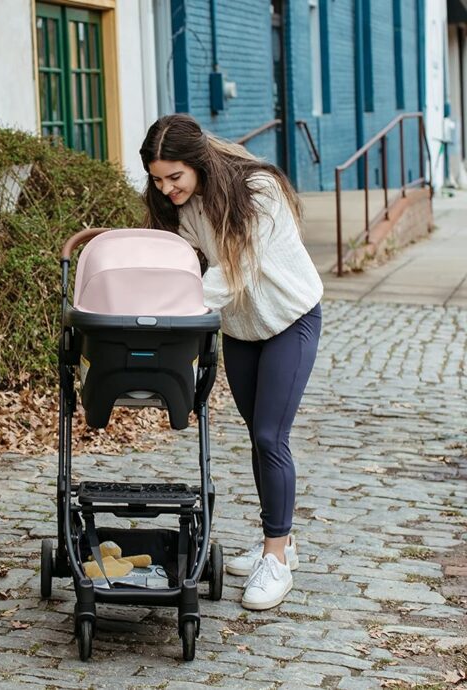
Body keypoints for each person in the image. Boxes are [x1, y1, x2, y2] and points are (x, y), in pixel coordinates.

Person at [138, 114, 323, 611]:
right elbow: (181, 262)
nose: (166, 188)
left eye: (174, 176)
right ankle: (280, 540)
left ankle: (277, 561)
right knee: (258, 438)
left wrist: (171, 306)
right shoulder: (181, 205)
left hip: (290, 321)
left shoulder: (258, 190)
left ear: (197, 162)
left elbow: (236, 269)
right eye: (157, 179)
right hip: (242, 330)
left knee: (270, 436)